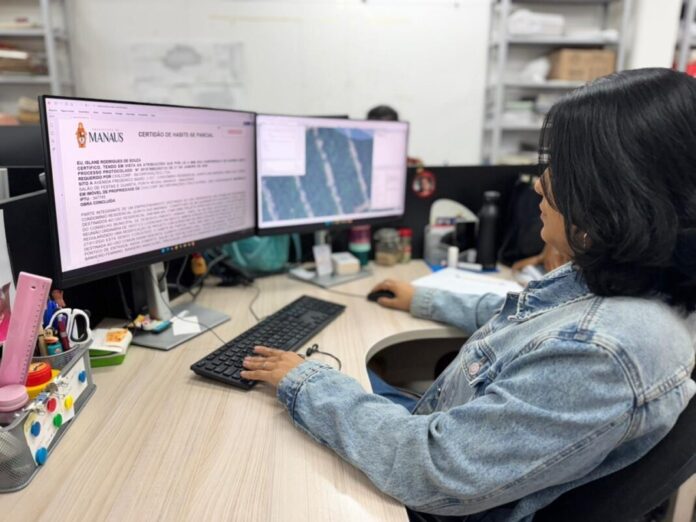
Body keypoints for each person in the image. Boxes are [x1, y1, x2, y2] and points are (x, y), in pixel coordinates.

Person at [241, 69, 696, 522]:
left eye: (561, 167)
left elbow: (430, 469)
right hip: (441, 440)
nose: (540, 183)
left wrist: (306, 381)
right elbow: (531, 321)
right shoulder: (634, 285)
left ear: (617, 188)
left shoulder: (599, 352)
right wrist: (422, 299)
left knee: (263, 456)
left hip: (429, 490)